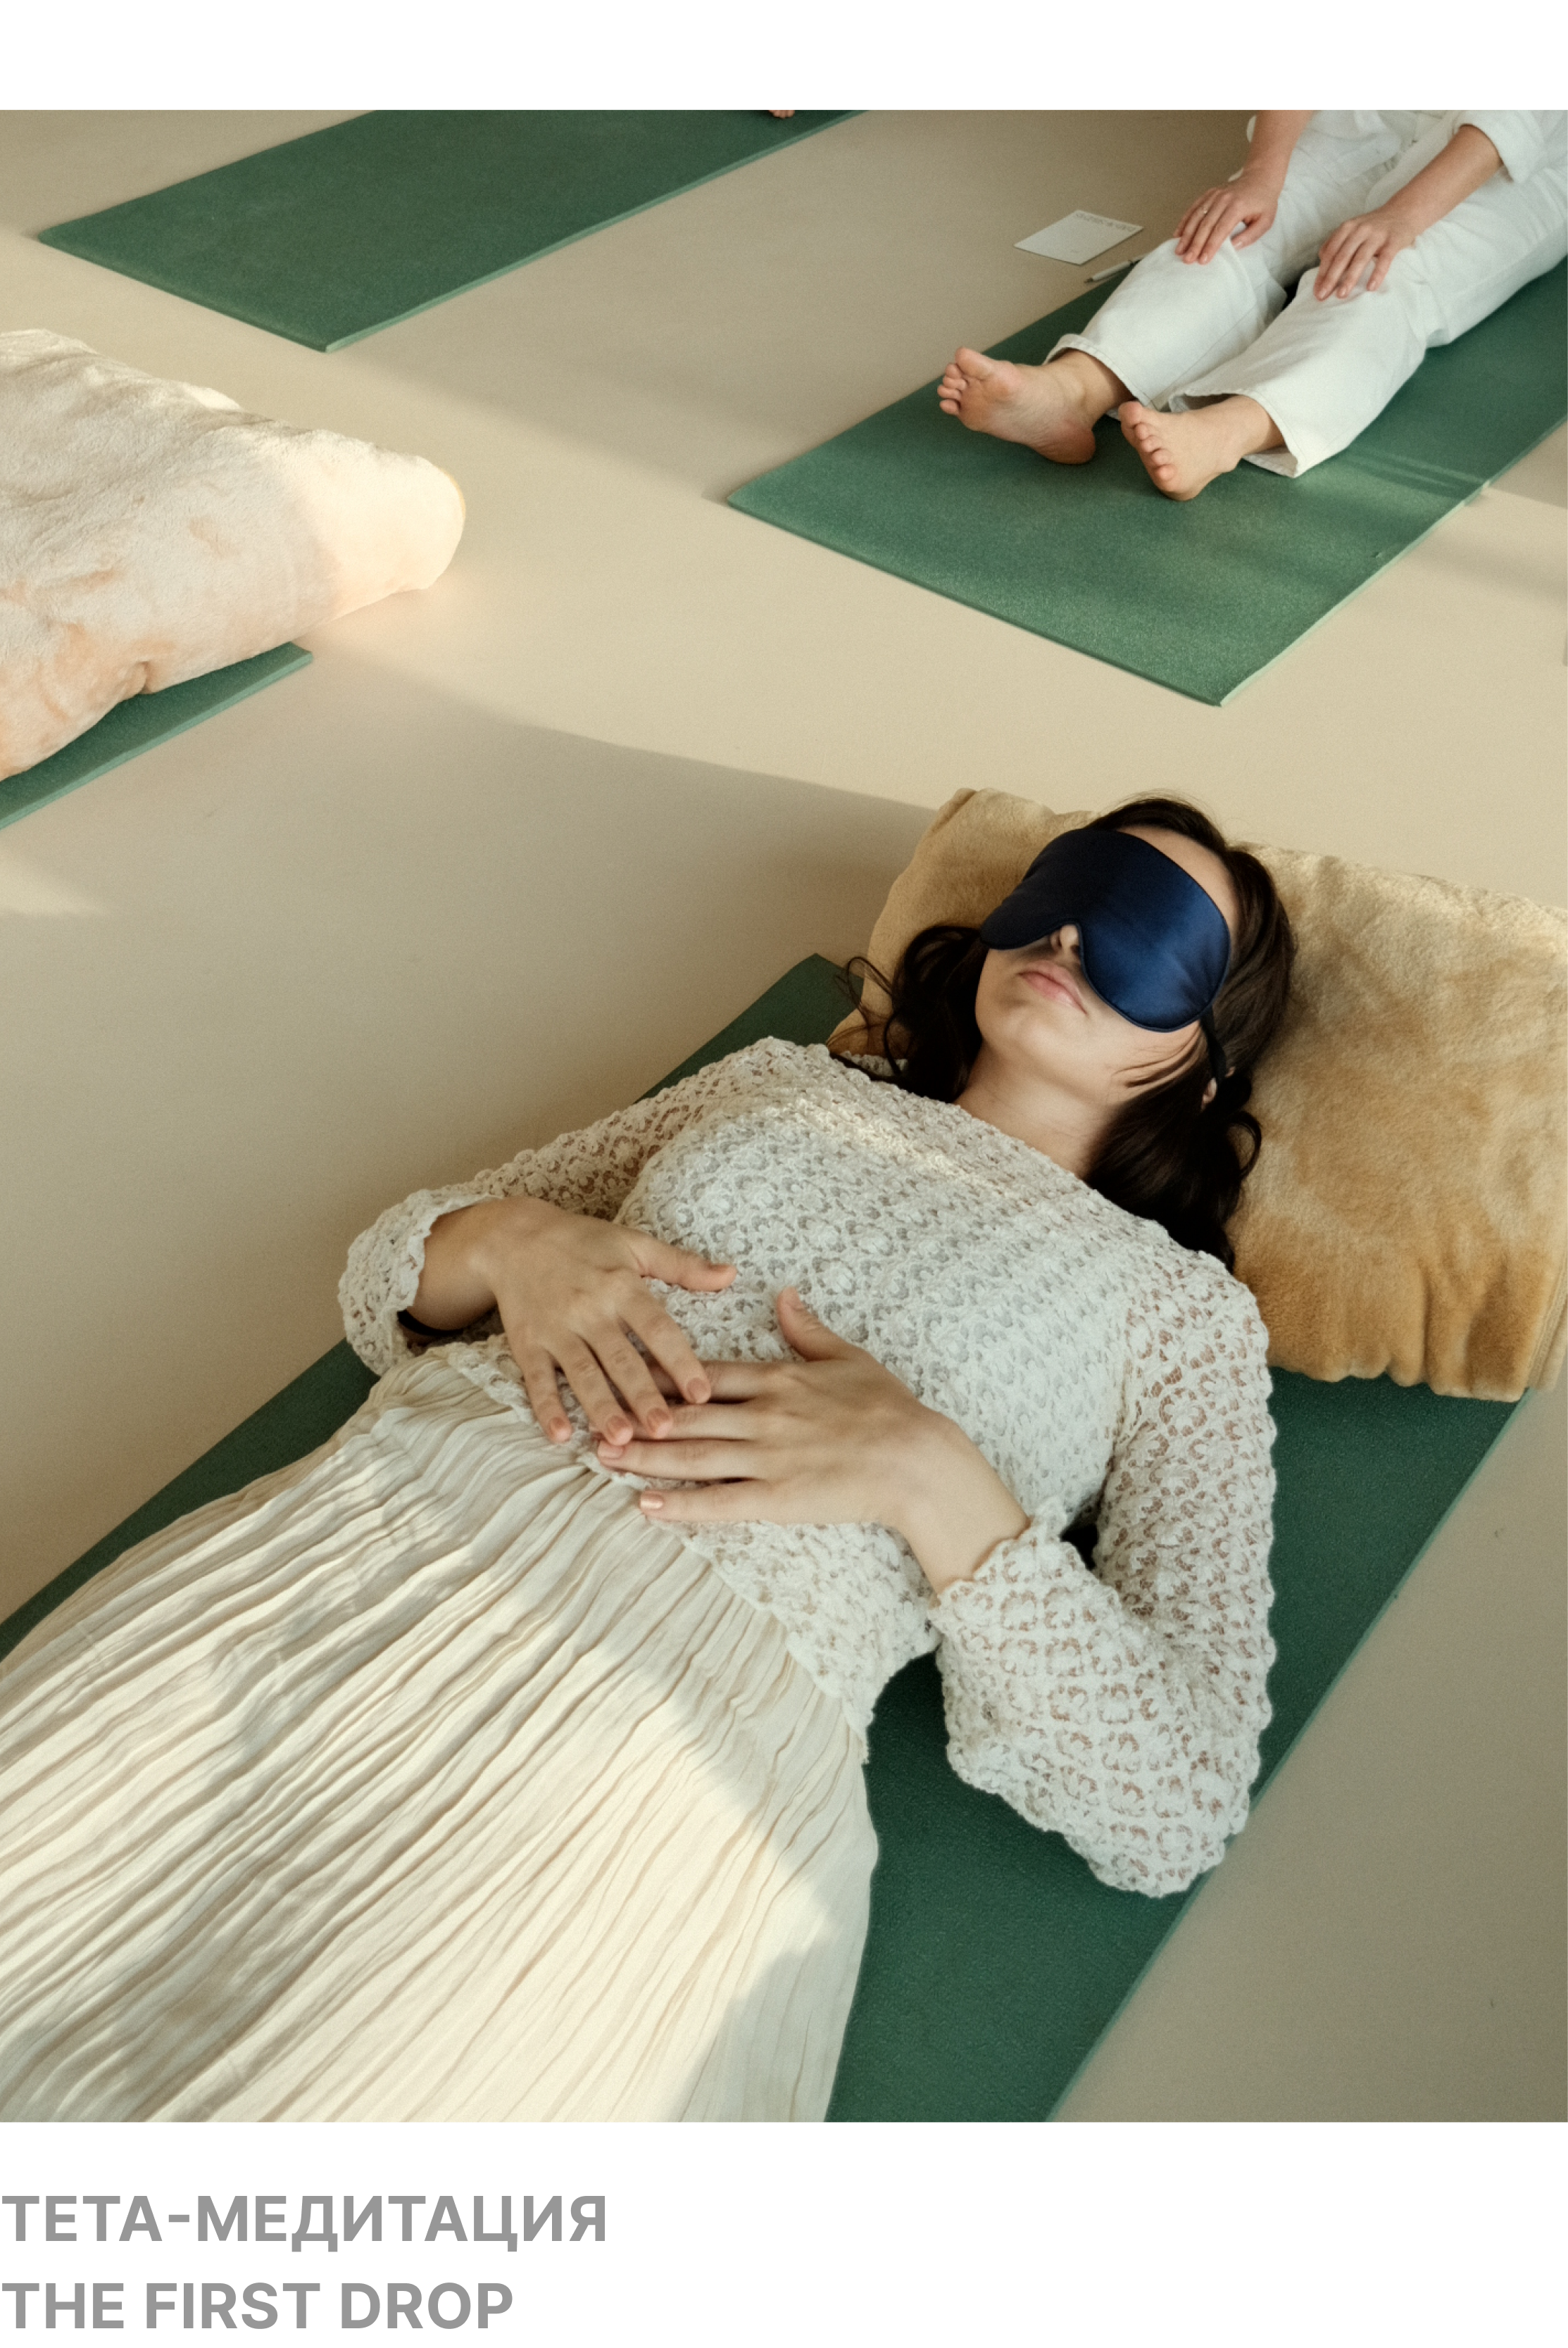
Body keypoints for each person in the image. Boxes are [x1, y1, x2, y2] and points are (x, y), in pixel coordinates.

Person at [0, 798, 1295, 2124]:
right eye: (1063, 893)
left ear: (1204, 1065)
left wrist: (931, 1476)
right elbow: (391, 1277)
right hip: (366, 1543)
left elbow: (1175, 1802)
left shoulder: (1179, 1315)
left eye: (1145, 940)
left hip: (663, 1737)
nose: (1071, 939)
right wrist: (512, 1241)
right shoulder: (780, 1082)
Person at [939, 111, 1568, 500]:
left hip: (1518, 159)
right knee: (1232, 229)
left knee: (1387, 272)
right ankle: (1075, 388)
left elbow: (1512, 114)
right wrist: (1262, 176)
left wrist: (1400, 217)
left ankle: (1227, 430)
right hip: (1377, 111)